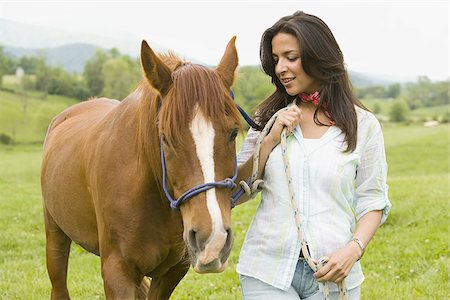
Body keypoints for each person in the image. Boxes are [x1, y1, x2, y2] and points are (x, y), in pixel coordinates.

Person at [235, 11, 391, 300]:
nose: (281, 67)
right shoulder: (267, 118)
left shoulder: (363, 126)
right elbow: (235, 192)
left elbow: (374, 200)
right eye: (276, 58)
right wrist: (269, 139)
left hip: (334, 274)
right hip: (266, 271)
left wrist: (352, 251)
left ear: (318, 55)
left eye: (290, 57)